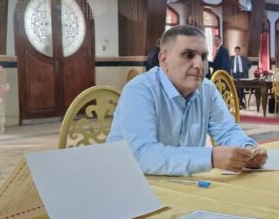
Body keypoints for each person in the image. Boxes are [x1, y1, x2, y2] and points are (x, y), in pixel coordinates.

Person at [108, 25, 267, 176]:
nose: (199, 65)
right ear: (163, 60)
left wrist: (248, 149)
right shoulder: (140, 90)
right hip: (129, 184)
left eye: (203, 57)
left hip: (182, 183)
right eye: (188, 55)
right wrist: (210, 157)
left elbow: (227, 131)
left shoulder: (207, 89)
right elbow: (142, 155)